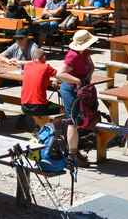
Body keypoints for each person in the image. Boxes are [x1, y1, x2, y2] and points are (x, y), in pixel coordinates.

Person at [58, 30, 98, 167]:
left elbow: (92, 66)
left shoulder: (85, 52)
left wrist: (87, 77)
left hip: (81, 90)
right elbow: (60, 74)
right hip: (70, 90)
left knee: (82, 119)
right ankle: (72, 155)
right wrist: (79, 81)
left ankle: (76, 149)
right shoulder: (72, 56)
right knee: (73, 121)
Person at [21, 48, 62, 117]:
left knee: (46, 106)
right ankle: (48, 127)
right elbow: (59, 75)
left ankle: (38, 125)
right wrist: (56, 80)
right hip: (39, 107)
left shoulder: (27, 66)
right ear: (43, 57)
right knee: (61, 109)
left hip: (24, 106)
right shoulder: (46, 67)